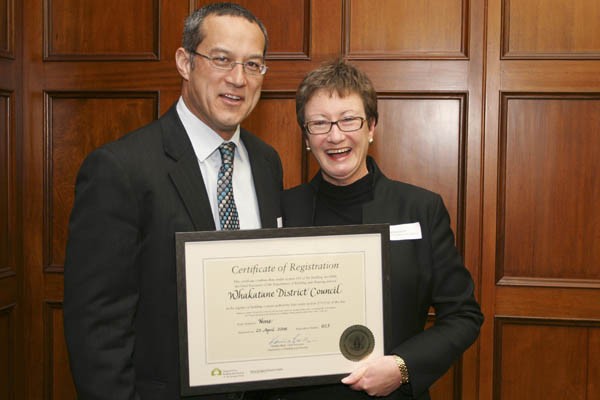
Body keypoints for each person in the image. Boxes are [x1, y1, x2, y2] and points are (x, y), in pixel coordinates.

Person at [63, 3, 282, 399]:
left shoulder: (267, 162)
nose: (238, 79)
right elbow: (97, 327)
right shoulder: (120, 169)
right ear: (185, 62)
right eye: (221, 59)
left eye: (253, 65)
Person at [262, 59, 483, 400]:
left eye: (349, 119)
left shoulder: (420, 209)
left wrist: (403, 367)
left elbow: (463, 315)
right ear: (307, 137)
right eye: (319, 123)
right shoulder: (279, 211)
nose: (335, 135)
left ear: (371, 127)